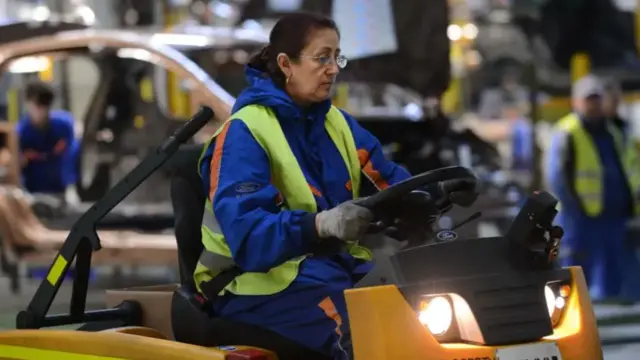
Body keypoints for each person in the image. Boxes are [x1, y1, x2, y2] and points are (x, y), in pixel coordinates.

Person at [196, 13, 472, 359]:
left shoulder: (336, 123)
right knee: (364, 338)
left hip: (330, 270)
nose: (333, 69)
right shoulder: (243, 134)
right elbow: (249, 239)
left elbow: (388, 180)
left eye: (336, 57)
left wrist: (435, 194)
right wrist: (322, 224)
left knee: (417, 311)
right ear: (286, 64)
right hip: (257, 287)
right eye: (321, 58)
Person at [545, 74, 640, 301]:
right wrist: (574, 208)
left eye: (597, 99)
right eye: (589, 99)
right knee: (577, 268)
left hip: (613, 213)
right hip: (581, 216)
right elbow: (557, 176)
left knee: (613, 267)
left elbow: (626, 167)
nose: (594, 104)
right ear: (577, 102)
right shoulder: (567, 131)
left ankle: (616, 304)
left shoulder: (613, 131)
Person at [16, 80, 77, 195]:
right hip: (32, 190)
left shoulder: (63, 126)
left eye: (45, 106)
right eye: (37, 105)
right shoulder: (21, 132)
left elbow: (69, 151)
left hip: (61, 188)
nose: (41, 111)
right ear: (28, 103)